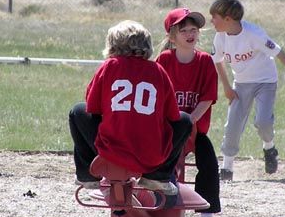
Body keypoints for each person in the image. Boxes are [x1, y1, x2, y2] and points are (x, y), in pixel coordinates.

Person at [69, 20, 192, 196]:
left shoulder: (109, 66)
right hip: (150, 156)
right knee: (185, 120)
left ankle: (87, 175)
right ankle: (158, 176)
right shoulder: (158, 70)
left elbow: (92, 108)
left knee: (77, 111)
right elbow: (173, 115)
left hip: (111, 152)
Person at [209, 0, 285, 178]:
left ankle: (269, 148)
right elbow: (218, 61)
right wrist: (226, 87)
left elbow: (278, 51)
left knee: (263, 122)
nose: (211, 21)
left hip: (265, 81)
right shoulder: (220, 37)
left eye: (214, 16)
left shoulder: (254, 34)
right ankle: (227, 168)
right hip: (240, 83)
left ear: (228, 19)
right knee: (233, 124)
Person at [156, 8, 220, 217]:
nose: (190, 34)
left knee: (210, 165)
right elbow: (157, 94)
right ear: (172, 36)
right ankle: (160, 208)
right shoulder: (164, 60)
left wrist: (191, 119)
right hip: (168, 130)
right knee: (162, 166)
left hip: (195, 129)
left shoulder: (204, 61)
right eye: (184, 30)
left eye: (194, 29)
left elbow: (207, 97)